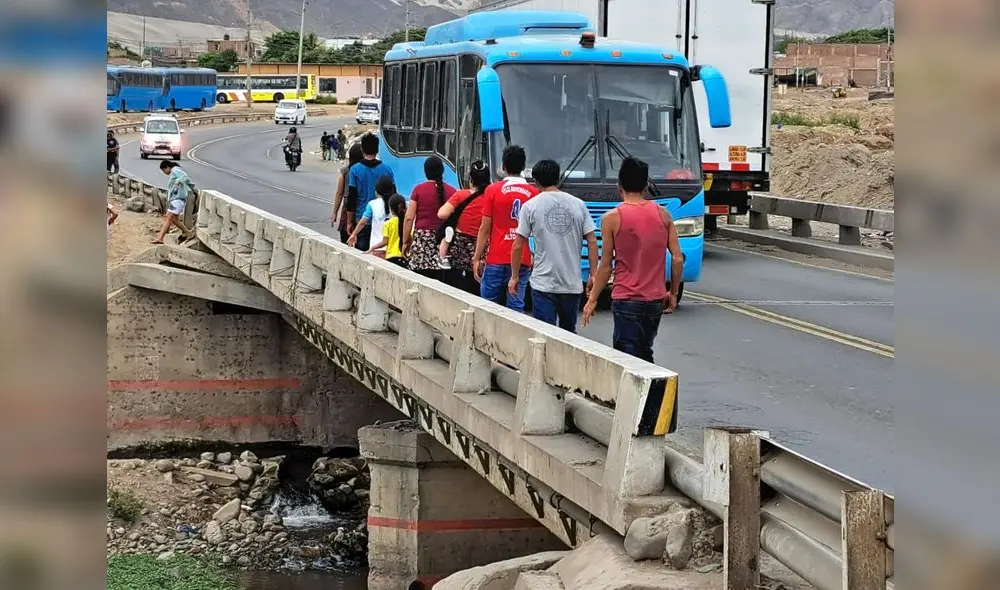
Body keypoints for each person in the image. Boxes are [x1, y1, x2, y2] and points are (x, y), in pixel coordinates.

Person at [582, 157, 684, 363]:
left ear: (619, 186)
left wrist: (592, 299)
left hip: (626, 299)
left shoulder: (611, 218)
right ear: (646, 186)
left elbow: (605, 265)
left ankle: (642, 395)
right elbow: (677, 259)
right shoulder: (663, 214)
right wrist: (672, 292)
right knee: (646, 352)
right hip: (655, 300)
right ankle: (654, 395)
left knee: (627, 359)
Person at [509, 159, 598, 333]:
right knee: (568, 333)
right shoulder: (578, 204)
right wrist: (594, 274)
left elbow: (518, 245)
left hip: (543, 283)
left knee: (545, 334)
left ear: (536, 182)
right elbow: (592, 240)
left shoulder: (530, 206)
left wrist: (514, 276)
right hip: (571, 283)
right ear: (558, 178)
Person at [473, 145, 538, 312]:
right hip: (522, 259)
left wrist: (477, 257)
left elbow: (485, 228)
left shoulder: (492, 190)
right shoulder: (533, 193)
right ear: (524, 167)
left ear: (503, 166)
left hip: (495, 257)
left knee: (487, 308)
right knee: (516, 307)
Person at [437, 160, 491, 295]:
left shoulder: (461, 195)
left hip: (460, 248)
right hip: (482, 247)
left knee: (457, 289)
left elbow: (441, 214)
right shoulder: (491, 197)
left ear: (471, 179)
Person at [403, 155, 456, 279]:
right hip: (444, 241)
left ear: (425, 171)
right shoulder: (453, 191)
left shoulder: (418, 190)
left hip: (422, 241)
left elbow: (409, 218)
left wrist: (406, 242)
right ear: (442, 171)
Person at [347, 133, 393, 252]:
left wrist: (349, 222)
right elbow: (393, 196)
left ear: (362, 150)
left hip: (363, 220)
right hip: (383, 220)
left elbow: (351, 198)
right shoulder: (387, 170)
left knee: (362, 253)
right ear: (377, 150)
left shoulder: (355, 170)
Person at [347, 175, 395, 256]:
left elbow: (363, 222)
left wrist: (354, 234)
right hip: (392, 249)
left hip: (376, 247)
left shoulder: (372, 204)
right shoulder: (395, 203)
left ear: (376, 191)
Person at [153, 160, 196, 244]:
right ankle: (189, 233)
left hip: (177, 200)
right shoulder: (174, 171)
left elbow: (185, 177)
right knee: (174, 219)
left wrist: (177, 182)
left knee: (168, 219)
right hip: (175, 200)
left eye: (164, 170)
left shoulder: (175, 170)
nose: (164, 172)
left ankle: (160, 238)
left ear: (167, 167)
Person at [332, 143, 364, 243]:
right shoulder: (365, 171)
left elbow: (339, 193)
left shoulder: (345, 172)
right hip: (361, 207)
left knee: (345, 237)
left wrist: (335, 212)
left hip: (347, 208)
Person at [368, 194, 409, 268]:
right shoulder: (407, 224)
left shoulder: (388, 223)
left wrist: (373, 247)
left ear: (391, 209)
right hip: (404, 257)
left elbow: (385, 242)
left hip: (391, 257)